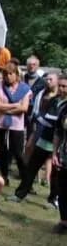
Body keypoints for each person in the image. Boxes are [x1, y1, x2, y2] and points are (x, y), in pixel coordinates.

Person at [8, 73, 67, 205]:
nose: (62, 89)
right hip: (44, 139)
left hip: (59, 144)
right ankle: (20, 194)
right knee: (31, 168)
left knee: (55, 175)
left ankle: (53, 200)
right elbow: (44, 114)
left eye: (65, 86)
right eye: (61, 86)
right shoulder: (54, 100)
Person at [0, 62, 31, 186]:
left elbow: (24, 108)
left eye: (11, 74)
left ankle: (26, 181)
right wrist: (14, 105)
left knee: (18, 153)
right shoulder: (0, 87)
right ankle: (4, 177)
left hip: (16, 125)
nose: (8, 76)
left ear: (16, 75)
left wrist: (5, 109)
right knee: (2, 151)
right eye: (6, 74)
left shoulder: (25, 89)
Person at [50, 100, 67, 234]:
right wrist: (54, 153)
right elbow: (58, 132)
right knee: (62, 189)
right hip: (64, 156)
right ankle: (64, 221)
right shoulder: (63, 107)